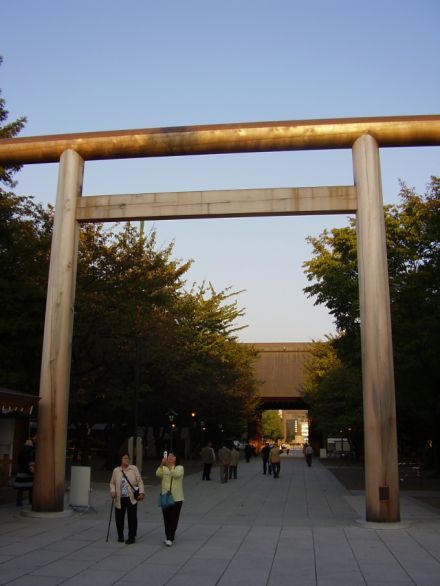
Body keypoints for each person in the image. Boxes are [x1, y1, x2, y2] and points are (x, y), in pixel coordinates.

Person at [109, 453, 144, 544]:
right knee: (119, 518)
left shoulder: (134, 468)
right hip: (120, 498)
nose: (127, 460)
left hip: (131, 497)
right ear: (120, 459)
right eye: (125, 458)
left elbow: (140, 481)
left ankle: (131, 537)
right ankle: (120, 535)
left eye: (128, 458)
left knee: (132, 518)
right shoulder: (116, 470)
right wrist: (113, 491)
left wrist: (141, 492)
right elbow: (112, 482)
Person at [156, 452, 184, 547]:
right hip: (165, 496)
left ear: (176, 458)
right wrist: (162, 463)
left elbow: (175, 475)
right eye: (169, 456)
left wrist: (168, 465)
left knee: (173, 518)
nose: (170, 457)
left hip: (177, 498)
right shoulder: (164, 468)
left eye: (173, 456)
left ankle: (170, 538)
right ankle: (168, 536)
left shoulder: (179, 468)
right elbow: (158, 473)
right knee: (166, 518)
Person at [13, 439, 35, 506]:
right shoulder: (32, 452)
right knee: (31, 488)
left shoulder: (21, 452)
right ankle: (31, 501)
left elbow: (19, 461)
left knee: (20, 488)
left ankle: (19, 502)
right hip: (29, 472)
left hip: (21, 472)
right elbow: (32, 461)